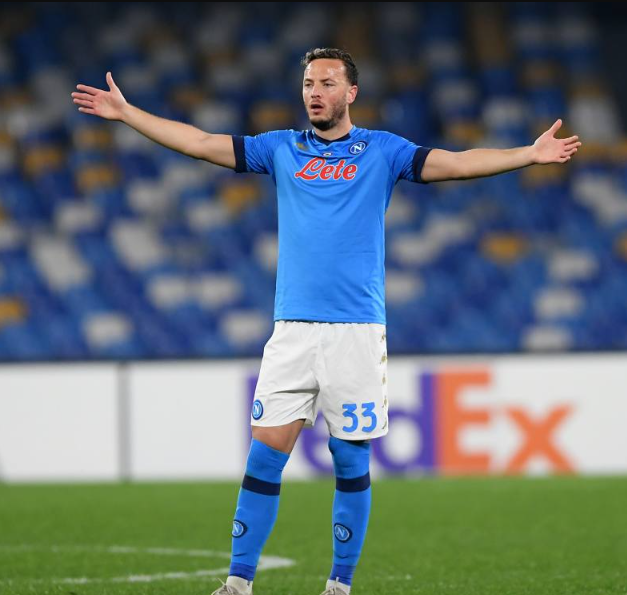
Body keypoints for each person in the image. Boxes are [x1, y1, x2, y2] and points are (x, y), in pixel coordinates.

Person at [73, 47, 580, 595]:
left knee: (349, 457)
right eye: (309, 84)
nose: (315, 93)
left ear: (351, 92)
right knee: (265, 454)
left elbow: (456, 163)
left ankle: (339, 585)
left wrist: (528, 155)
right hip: (292, 330)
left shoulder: (383, 150)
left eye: (327, 83)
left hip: (355, 330)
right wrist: (128, 114)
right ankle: (238, 583)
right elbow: (199, 142)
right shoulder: (280, 148)